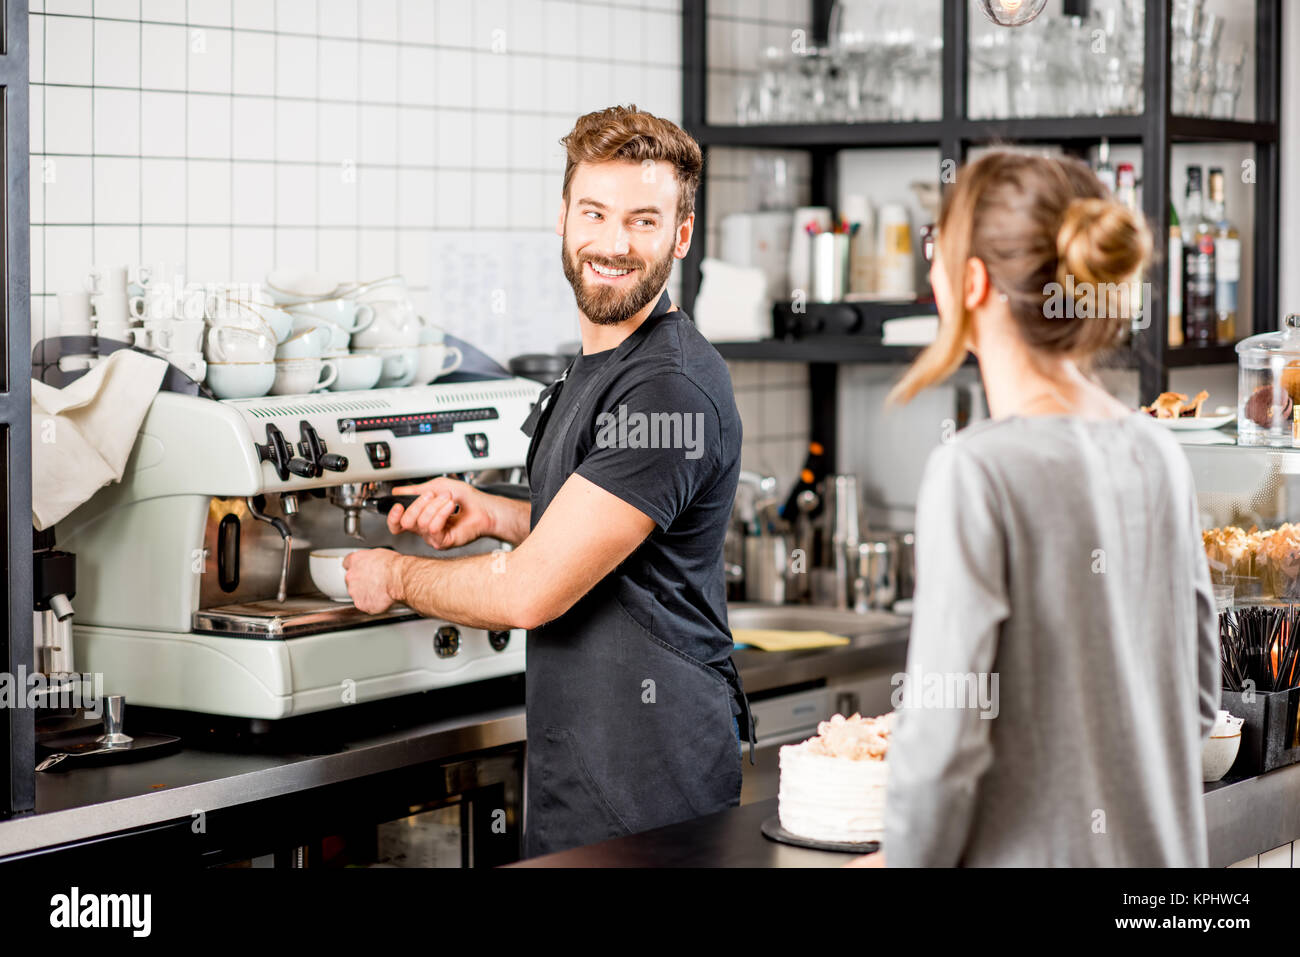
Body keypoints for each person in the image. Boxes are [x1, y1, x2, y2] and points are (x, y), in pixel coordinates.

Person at [343, 105, 753, 858]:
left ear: (681, 236)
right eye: (594, 213)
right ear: (562, 217)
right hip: (589, 780)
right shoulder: (596, 366)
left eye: (643, 221)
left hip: (654, 799)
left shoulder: (669, 386)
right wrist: (498, 514)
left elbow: (531, 591)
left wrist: (393, 574)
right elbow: (608, 540)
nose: (613, 244)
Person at [854, 152, 1219, 867]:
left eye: (938, 252)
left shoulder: (975, 470)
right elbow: (1199, 696)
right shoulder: (1158, 450)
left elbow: (942, 740)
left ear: (971, 282)